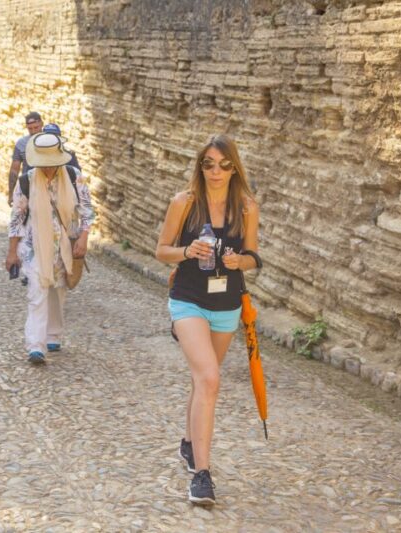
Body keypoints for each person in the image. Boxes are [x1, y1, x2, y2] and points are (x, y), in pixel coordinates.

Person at [155, 134, 260, 506]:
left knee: (203, 381)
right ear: (200, 166)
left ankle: (188, 443)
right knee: (211, 378)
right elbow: (161, 250)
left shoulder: (246, 207)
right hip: (188, 301)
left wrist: (239, 262)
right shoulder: (184, 203)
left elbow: (253, 257)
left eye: (224, 165)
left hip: (226, 304)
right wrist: (186, 250)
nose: (216, 171)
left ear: (235, 168)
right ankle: (202, 474)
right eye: (208, 164)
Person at [6, 132, 95, 364]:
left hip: (66, 245)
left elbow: (87, 211)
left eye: (51, 164)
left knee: (59, 290)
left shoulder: (75, 177)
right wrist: (12, 251)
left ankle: (53, 334)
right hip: (34, 247)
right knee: (38, 292)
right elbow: (17, 216)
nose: (48, 169)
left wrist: (84, 238)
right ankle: (36, 345)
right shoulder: (26, 180)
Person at [8, 111, 43, 206]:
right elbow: (14, 170)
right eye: (30, 129)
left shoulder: (51, 141)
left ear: (41, 124)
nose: (34, 131)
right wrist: (11, 194)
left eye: (36, 127)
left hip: (48, 190)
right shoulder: (21, 143)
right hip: (27, 189)